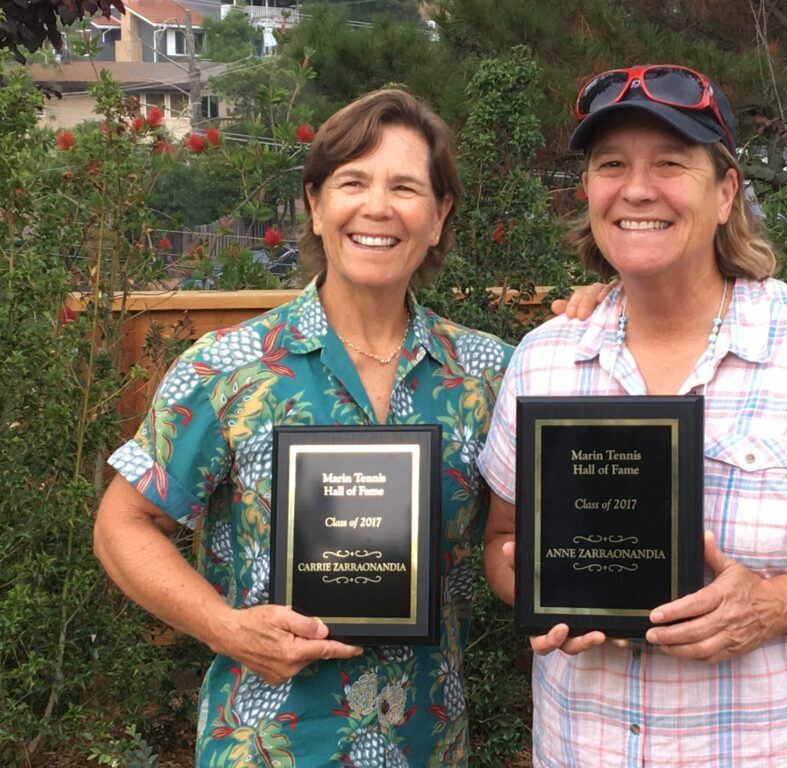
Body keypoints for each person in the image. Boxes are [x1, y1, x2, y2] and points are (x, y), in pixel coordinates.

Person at [93, 89, 604, 767]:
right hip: (267, 749)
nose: (377, 207)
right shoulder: (229, 369)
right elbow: (122, 523)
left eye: (405, 187)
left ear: (439, 214)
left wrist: (610, 307)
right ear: (315, 203)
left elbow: (542, 526)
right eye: (352, 182)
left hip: (428, 744)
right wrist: (225, 627)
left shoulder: (490, 374)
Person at [477, 64, 787, 767]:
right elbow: (502, 540)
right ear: (587, 191)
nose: (637, 188)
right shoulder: (544, 359)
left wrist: (774, 605)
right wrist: (541, 586)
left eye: (670, 164)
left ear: (726, 192)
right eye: (611, 164)